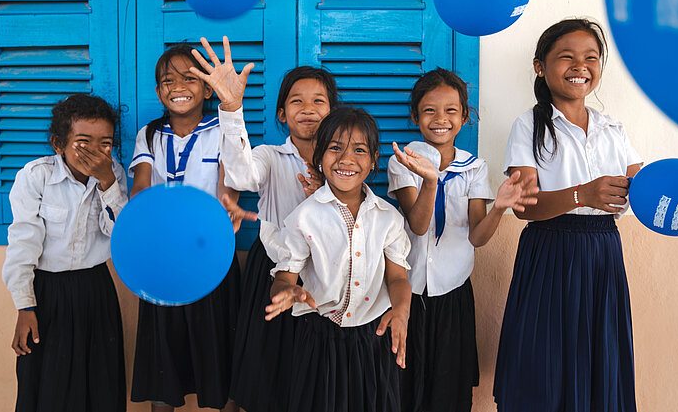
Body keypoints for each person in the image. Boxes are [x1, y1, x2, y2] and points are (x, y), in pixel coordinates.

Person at [493, 18, 642, 412]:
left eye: (591, 58)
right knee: (546, 358)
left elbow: (639, 187)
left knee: (600, 355)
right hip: (550, 251)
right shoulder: (528, 126)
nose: (580, 67)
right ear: (541, 66)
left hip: (603, 252)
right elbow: (525, 207)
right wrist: (583, 193)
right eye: (567, 57)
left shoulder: (614, 129)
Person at [189, 37, 338, 412]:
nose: (308, 109)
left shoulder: (343, 160)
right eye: (297, 102)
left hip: (326, 272)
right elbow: (239, 175)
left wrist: (326, 194)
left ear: (333, 110)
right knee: (261, 371)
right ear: (282, 114)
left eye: (319, 101)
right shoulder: (269, 156)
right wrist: (231, 107)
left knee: (313, 372)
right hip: (271, 269)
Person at [387, 68, 538, 412]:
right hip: (408, 292)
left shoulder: (474, 168)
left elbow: (477, 236)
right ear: (415, 116)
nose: (440, 119)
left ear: (465, 117)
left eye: (451, 111)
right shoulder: (403, 162)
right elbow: (419, 224)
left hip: (453, 294)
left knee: (448, 389)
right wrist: (429, 180)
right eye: (429, 110)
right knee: (404, 385)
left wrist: (498, 209)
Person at [129, 43, 255, 412]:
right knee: (162, 355)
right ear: (158, 91)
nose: (178, 87)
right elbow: (140, 189)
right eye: (168, 80)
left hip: (209, 253)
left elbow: (226, 185)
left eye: (190, 78)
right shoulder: (149, 134)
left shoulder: (222, 130)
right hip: (162, 260)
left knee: (217, 347)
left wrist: (228, 205)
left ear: (207, 88)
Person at [265, 107, 412, 412]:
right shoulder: (303, 217)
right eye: (335, 148)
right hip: (319, 339)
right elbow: (285, 277)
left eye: (359, 150)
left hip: (373, 337)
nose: (346, 159)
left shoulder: (389, 218)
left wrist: (401, 311)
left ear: (373, 162)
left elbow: (398, 278)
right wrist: (287, 292)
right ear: (319, 157)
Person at [2, 93, 128, 412]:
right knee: (48, 384)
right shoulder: (36, 177)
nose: (96, 152)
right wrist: (24, 306)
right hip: (47, 294)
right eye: (83, 142)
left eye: (106, 143)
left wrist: (107, 182)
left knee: (98, 382)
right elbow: (23, 243)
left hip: (95, 290)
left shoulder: (113, 175)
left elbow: (122, 236)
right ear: (58, 144)